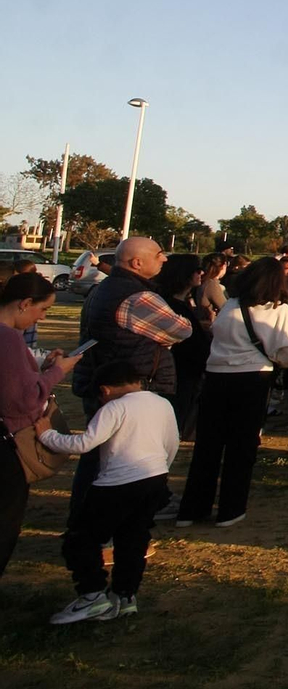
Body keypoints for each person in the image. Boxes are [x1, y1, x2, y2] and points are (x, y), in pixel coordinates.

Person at [39, 360, 178, 624]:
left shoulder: (114, 407)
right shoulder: (162, 403)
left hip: (116, 484)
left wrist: (47, 435)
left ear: (104, 390)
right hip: (154, 477)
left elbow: (84, 443)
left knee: (81, 539)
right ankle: (125, 596)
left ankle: (92, 596)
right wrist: (161, 470)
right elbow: (172, 442)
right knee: (133, 539)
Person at [70, 237, 191, 520]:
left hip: (106, 381)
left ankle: (89, 519)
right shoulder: (139, 297)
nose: (165, 260)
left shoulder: (103, 289)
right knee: (123, 457)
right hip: (131, 386)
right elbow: (182, 329)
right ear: (137, 263)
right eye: (160, 254)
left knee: (100, 454)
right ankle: (102, 524)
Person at [176, 257, 288, 527]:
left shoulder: (231, 306)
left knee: (207, 445)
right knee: (241, 445)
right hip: (252, 378)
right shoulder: (278, 311)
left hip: (216, 377)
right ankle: (230, 508)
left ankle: (193, 507)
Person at [1, 273, 83, 577]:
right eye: (43, 310)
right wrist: (57, 372)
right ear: (24, 304)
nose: (43, 317)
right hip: (8, 444)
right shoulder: (7, 336)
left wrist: (41, 369)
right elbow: (23, 400)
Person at [151, 254, 209, 440]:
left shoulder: (180, 304)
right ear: (183, 274)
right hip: (177, 375)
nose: (201, 273)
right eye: (196, 269)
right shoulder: (171, 306)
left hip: (184, 374)